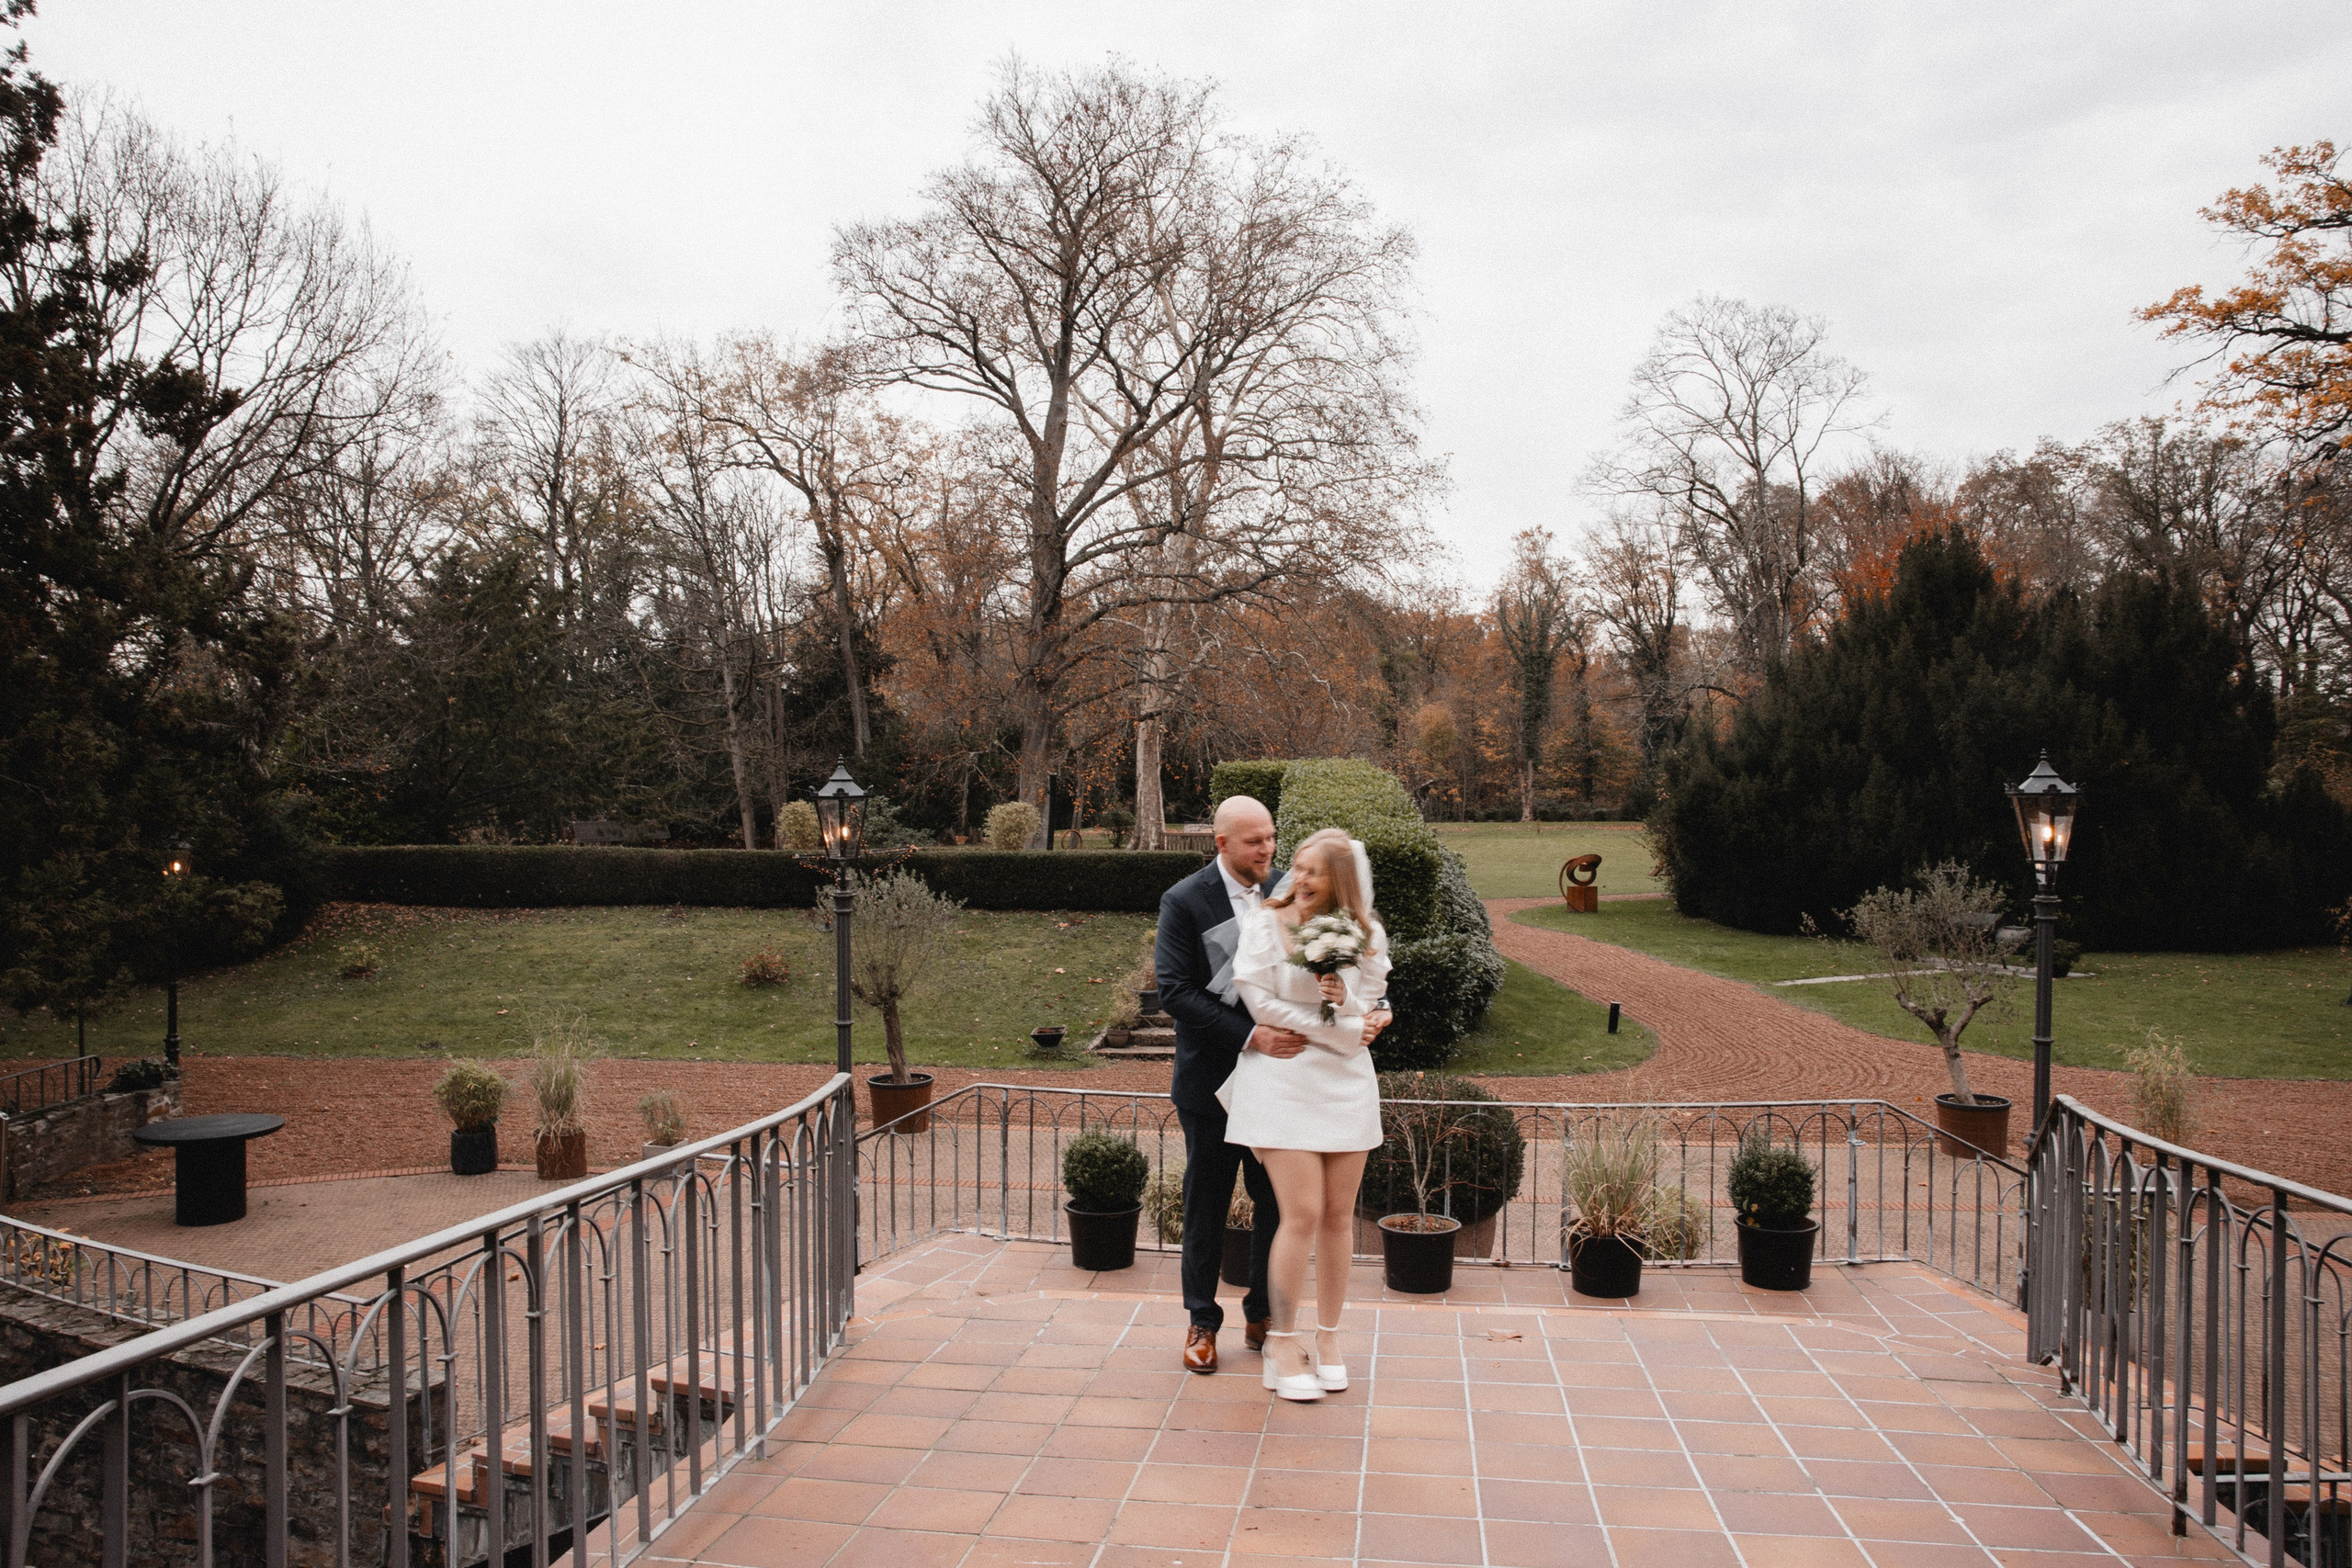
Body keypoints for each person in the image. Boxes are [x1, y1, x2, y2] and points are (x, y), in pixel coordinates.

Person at [1221, 827, 1392, 1402]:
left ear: (1340, 880)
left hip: (1346, 1084)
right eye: (1297, 866)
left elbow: (1374, 998)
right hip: (1282, 1077)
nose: (1299, 877)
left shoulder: (1366, 932)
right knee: (1301, 1213)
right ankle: (1281, 1342)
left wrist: (1360, 1010)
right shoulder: (1263, 923)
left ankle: (1330, 1337)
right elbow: (1257, 1000)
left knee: (1340, 1216)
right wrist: (1340, 1031)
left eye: (1313, 870)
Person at [1153, 795, 1298, 1375]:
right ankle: (1201, 1322)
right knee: (1206, 1206)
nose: (1267, 849)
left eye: (1271, 837)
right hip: (1211, 1083)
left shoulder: (1289, 889)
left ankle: (1263, 1316)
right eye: (1254, 841)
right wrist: (1251, 1035)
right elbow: (1174, 991)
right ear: (1222, 843)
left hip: (1279, 1084)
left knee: (1276, 1204)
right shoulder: (1185, 900)